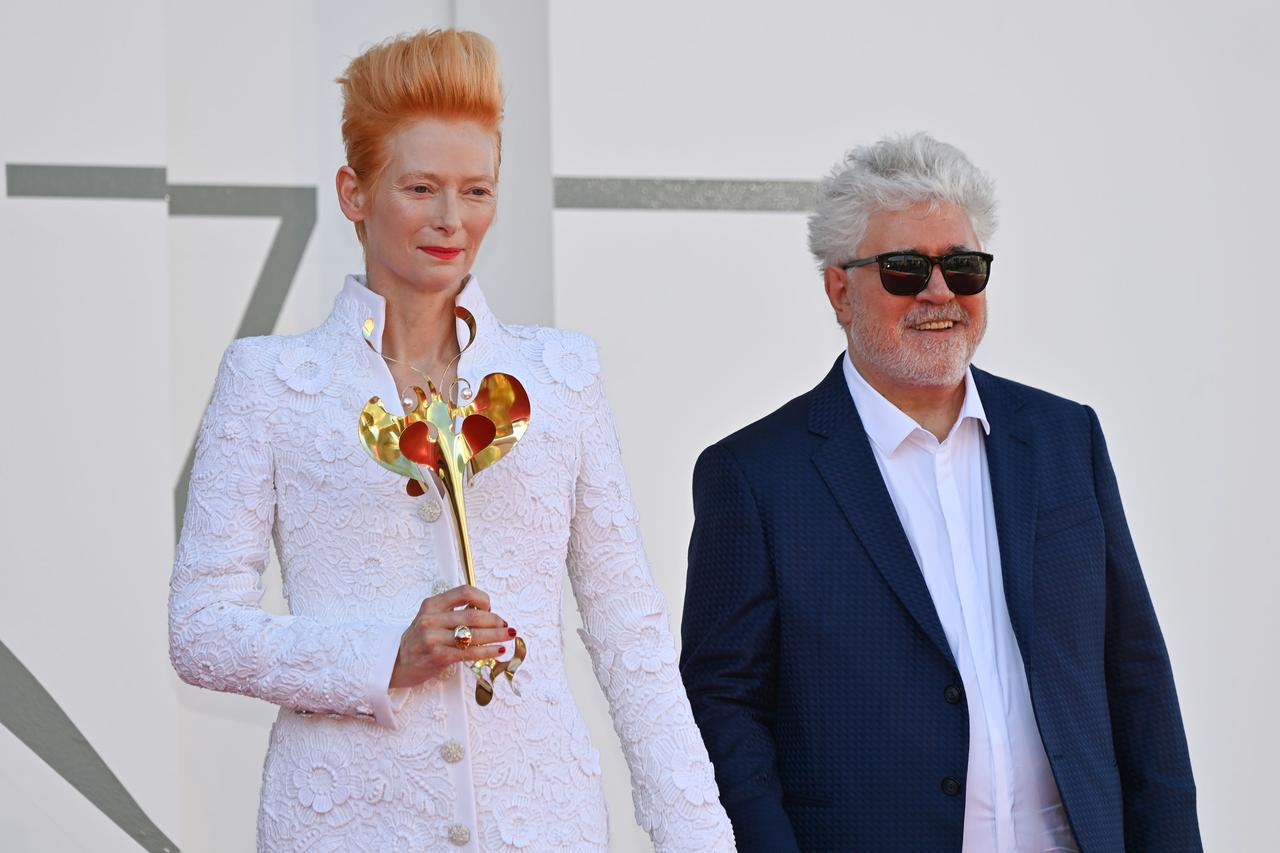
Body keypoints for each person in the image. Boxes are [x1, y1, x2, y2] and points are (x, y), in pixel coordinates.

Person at [169, 29, 733, 852]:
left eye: (477, 191)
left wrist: (697, 834)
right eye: (421, 187)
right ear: (354, 193)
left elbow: (627, 626)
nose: (451, 220)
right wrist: (383, 653)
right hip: (344, 824)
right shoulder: (269, 382)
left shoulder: (563, 373)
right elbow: (199, 628)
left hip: (543, 824)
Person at [679, 133, 1200, 852]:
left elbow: (1135, 674)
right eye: (903, 269)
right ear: (839, 289)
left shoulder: (1064, 439)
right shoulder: (755, 476)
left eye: (962, 266)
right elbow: (724, 710)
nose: (939, 292)